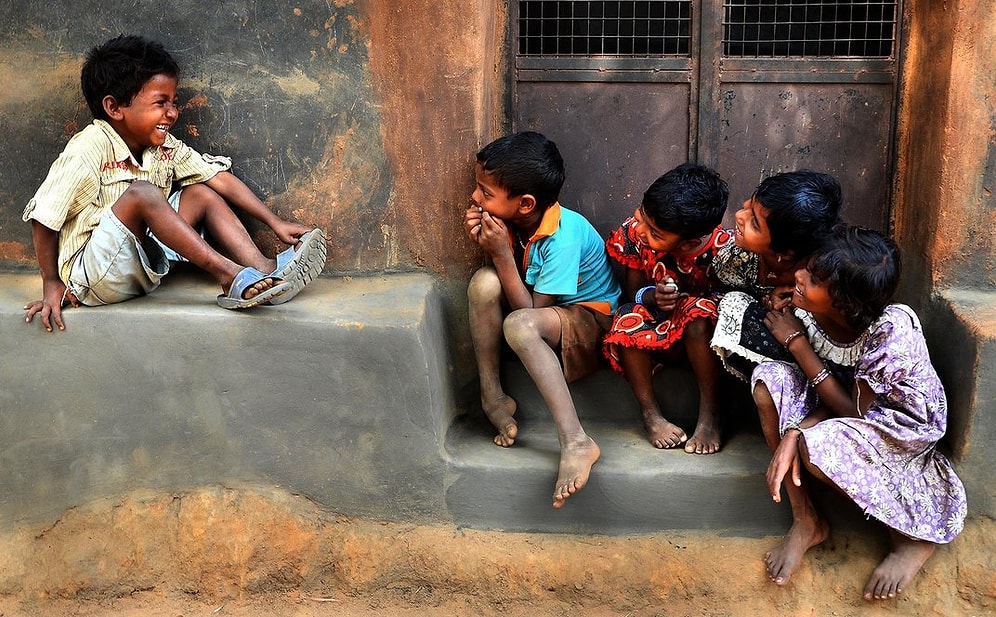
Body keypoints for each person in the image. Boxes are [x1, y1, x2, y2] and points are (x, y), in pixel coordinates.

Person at [23, 34, 326, 333]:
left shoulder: (164, 146)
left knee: (200, 192)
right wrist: (52, 282)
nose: (172, 112)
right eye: (160, 102)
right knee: (143, 194)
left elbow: (216, 177)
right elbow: (45, 216)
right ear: (115, 108)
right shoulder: (89, 147)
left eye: (174, 101)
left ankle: (264, 269)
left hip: (142, 265)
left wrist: (274, 223)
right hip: (93, 276)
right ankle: (230, 275)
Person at [754, 226, 966, 600]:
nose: (799, 276)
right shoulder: (810, 307)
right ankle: (806, 519)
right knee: (768, 381)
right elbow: (837, 391)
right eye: (807, 267)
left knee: (817, 447)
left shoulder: (891, 330)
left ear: (845, 303)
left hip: (897, 428)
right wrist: (794, 429)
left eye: (814, 278)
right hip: (843, 404)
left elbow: (857, 413)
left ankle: (909, 538)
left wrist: (797, 345)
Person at [463, 131, 621, 509]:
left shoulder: (563, 236)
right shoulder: (519, 222)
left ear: (525, 204)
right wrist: (496, 253)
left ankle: (576, 440)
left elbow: (527, 311)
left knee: (519, 325)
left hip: (589, 322)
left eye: (485, 193)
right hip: (550, 314)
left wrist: (501, 254)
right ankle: (493, 397)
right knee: (482, 283)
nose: (474, 198)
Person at [603, 164, 731, 454]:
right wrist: (652, 298)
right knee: (625, 316)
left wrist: (688, 302)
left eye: (656, 233)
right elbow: (632, 293)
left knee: (698, 312)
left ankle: (710, 416)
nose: (641, 231)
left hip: (703, 347)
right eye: (640, 217)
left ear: (689, 242)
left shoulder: (723, 250)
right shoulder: (636, 236)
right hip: (656, 338)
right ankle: (651, 415)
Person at [710, 170, 843, 380]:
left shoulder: (822, 275)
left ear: (784, 253)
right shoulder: (737, 257)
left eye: (754, 222)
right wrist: (766, 303)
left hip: (811, 362)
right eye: (748, 206)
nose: (738, 215)